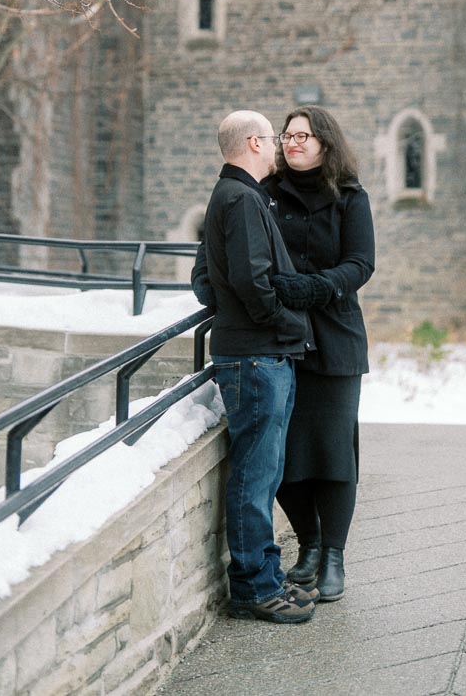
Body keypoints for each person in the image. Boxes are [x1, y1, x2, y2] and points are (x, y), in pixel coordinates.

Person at [191, 109, 318, 624]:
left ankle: (264, 574)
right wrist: (281, 325)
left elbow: (205, 278)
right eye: (271, 138)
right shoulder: (241, 198)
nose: (279, 146)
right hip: (257, 354)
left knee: (264, 472)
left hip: (256, 350)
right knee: (254, 473)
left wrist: (240, 314)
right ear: (252, 144)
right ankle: (252, 588)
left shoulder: (234, 196)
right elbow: (250, 279)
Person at [264, 105, 375, 603]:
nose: (293, 142)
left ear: (324, 143)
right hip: (280, 337)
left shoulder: (351, 197)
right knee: (285, 453)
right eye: (287, 135)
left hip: (335, 334)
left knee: (333, 451)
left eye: (303, 136)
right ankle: (307, 545)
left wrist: (314, 288)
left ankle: (333, 554)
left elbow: (361, 263)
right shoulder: (265, 195)